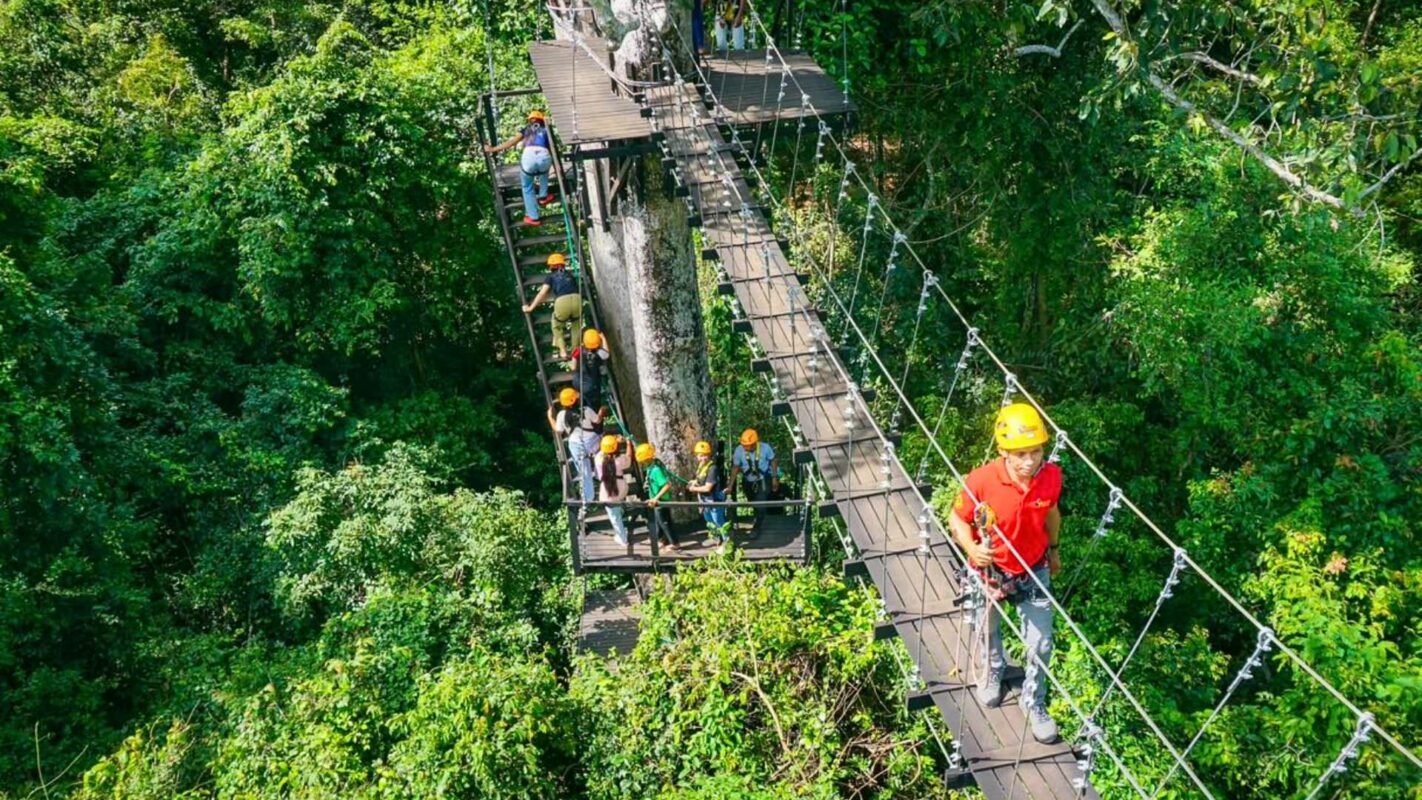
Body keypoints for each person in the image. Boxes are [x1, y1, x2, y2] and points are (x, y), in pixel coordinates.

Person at [946, 403, 1063, 744]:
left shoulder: (1051, 476)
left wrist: (1054, 550)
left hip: (1034, 568)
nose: (1030, 461)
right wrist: (971, 549)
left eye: (1037, 451)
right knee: (987, 627)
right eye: (1021, 454)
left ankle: (1034, 701)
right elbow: (957, 519)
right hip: (991, 571)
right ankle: (993, 670)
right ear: (1004, 452)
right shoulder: (982, 480)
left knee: (1041, 643)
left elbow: (1052, 513)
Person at [484, 110, 558, 227]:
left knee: (527, 187)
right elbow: (552, 148)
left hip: (528, 157)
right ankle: (543, 197)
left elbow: (511, 142)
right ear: (542, 120)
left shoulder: (526, 130)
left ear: (530, 120)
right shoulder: (546, 129)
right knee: (544, 171)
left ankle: (534, 218)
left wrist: (492, 149)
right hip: (544, 156)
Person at [547, 388, 604, 502]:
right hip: (593, 442)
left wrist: (550, 417)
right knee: (601, 453)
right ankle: (599, 474)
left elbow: (558, 430)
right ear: (576, 399)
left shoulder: (561, 415)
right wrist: (602, 411)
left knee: (585, 473)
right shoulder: (586, 410)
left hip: (577, 445)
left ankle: (589, 498)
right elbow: (597, 421)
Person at [522, 253, 581, 359]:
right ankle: (575, 352)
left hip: (562, 301)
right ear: (562, 264)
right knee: (576, 323)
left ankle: (563, 350)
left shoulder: (551, 276)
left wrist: (530, 308)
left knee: (556, 324)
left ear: (553, 266)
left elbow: (542, 293)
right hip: (577, 299)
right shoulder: (569, 274)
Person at [728, 428, 777, 535]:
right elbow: (735, 468)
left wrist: (774, 477)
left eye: (750, 445)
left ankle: (756, 528)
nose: (747, 447)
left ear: (755, 443)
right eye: (745, 445)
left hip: (763, 480)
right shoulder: (739, 450)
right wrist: (730, 485)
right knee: (753, 502)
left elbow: (773, 460)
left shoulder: (765, 448)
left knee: (761, 502)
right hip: (748, 481)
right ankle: (757, 517)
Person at [636, 442, 679, 553]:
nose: (641, 463)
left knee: (664, 522)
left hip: (661, 500)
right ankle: (660, 540)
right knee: (658, 521)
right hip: (655, 499)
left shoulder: (656, 470)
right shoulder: (652, 466)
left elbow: (667, 485)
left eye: (642, 461)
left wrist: (656, 498)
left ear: (646, 459)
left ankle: (675, 543)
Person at [686, 440, 730, 546]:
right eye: (700, 456)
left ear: (709, 455)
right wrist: (693, 482)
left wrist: (693, 489)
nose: (703, 458)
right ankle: (716, 538)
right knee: (709, 520)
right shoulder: (701, 466)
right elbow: (700, 479)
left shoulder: (712, 468)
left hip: (714, 500)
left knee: (718, 520)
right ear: (697, 456)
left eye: (705, 455)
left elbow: (707, 488)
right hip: (705, 501)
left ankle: (727, 541)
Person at [594, 434, 634, 547]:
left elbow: (603, 451)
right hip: (621, 489)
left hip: (608, 492)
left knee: (614, 517)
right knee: (617, 507)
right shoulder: (620, 460)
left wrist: (613, 442)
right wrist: (627, 443)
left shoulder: (598, 459)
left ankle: (623, 540)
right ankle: (621, 511)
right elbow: (629, 457)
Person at [570, 328, 610, 405]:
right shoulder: (600, 353)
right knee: (593, 401)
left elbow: (573, 368)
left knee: (585, 395)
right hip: (591, 385)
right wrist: (603, 338)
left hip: (577, 382)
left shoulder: (578, 350)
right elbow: (607, 353)